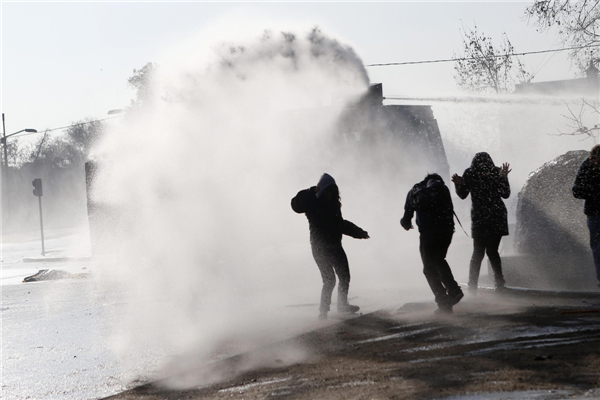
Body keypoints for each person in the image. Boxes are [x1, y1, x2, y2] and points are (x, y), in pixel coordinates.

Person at [291, 173, 370, 319]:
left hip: (334, 246)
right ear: (322, 190)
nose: (330, 194)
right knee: (329, 280)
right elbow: (295, 205)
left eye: (332, 191)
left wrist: (359, 232)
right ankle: (323, 311)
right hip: (319, 247)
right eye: (328, 190)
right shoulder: (311, 201)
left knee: (344, 276)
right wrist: (310, 191)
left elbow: (340, 224)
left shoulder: (333, 204)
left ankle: (342, 305)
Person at [400, 173, 464, 314]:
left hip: (428, 232)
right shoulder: (443, 189)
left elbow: (406, 217)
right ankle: (454, 290)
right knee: (439, 259)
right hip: (446, 231)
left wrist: (405, 224)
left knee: (429, 268)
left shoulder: (415, 191)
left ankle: (443, 302)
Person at [452, 152, 511, 292]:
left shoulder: (471, 173)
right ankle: (499, 283)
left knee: (478, 252)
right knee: (492, 251)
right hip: (495, 216)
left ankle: (473, 285)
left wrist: (459, 185)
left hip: (482, 217)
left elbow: (462, 195)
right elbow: (505, 193)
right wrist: (502, 178)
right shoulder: (494, 172)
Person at [572, 144, 600, 289]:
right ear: (593, 158)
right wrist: (595, 191)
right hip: (595, 213)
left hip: (594, 212)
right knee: (597, 247)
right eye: (597, 161)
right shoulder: (586, 167)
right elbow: (576, 190)